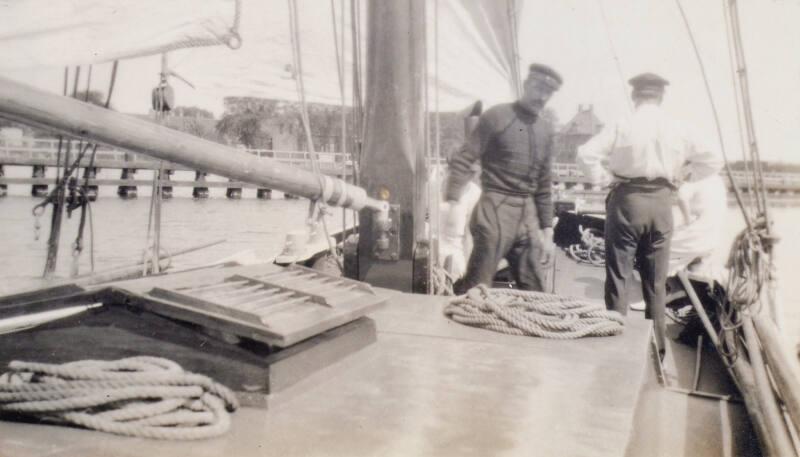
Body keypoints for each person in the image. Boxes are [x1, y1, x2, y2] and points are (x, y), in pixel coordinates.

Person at [576, 73, 722, 355]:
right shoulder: (679, 128)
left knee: (618, 273)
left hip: (627, 202)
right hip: (662, 205)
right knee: (655, 279)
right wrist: (684, 175)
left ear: (635, 96)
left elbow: (585, 154)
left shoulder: (623, 125)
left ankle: (614, 338)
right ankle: (658, 346)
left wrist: (603, 179)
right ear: (661, 96)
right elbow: (714, 160)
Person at [445, 63, 562, 294]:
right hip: (494, 208)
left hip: (527, 215)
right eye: (538, 88)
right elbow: (464, 158)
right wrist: (452, 201)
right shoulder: (496, 116)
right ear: (526, 85)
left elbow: (544, 186)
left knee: (536, 289)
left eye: (548, 92)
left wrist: (547, 232)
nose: (542, 96)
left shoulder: (546, 130)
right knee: (477, 287)